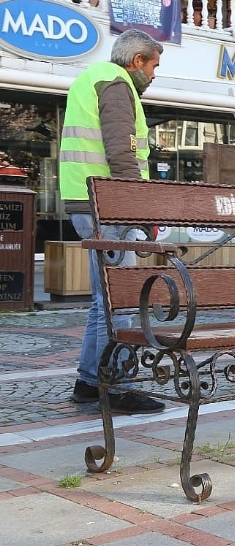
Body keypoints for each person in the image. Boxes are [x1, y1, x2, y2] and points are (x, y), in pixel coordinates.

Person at [59, 29, 166, 413]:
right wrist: (139, 207)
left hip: (89, 202)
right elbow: (121, 153)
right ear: (137, 60)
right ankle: (116, 385)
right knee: (120, 299)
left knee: (104, 301)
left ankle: (90, 382)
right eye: (153, 65)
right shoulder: (117, 84)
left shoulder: (91, 78)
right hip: (108, 206)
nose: (154, 75)